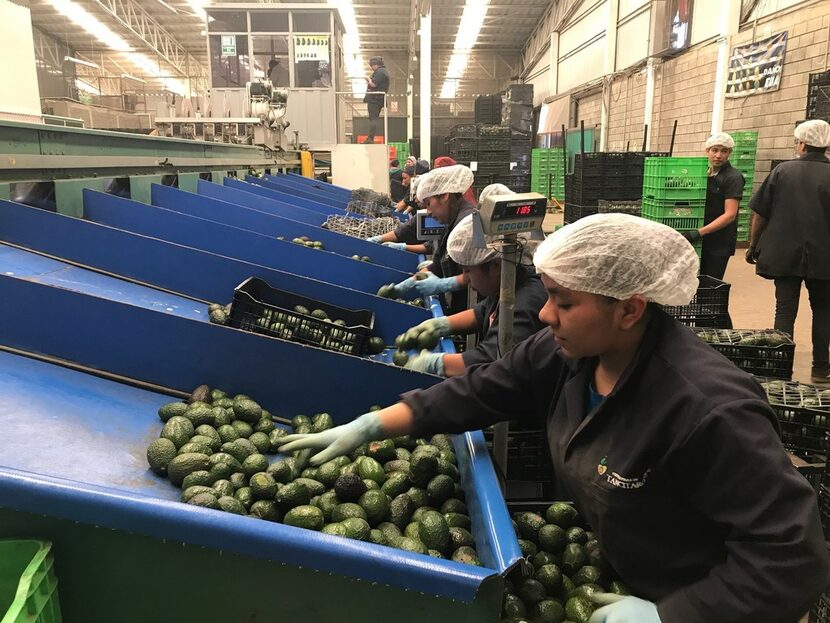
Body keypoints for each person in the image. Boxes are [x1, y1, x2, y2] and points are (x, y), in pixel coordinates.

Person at [277, 213, 830, 623]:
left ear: (629, 308)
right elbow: (481, 391)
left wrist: (673, 615)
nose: (544, 313)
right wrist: (376, 424)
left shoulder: (708, 409)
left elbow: (791, 561)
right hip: (627, 575)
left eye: (563, 302)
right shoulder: (568, 353)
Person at [403, 188, 547, 377]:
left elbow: (491, 358)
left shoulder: (527, 300)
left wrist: (435, 363)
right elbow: (483, 312)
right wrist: (440, 325)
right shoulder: (508, 285)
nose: (465, 278)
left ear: (496, 265)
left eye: (468, 270)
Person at [746, 119, 830, 386]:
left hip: (784, 253)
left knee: (785, 309)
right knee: (824, 310)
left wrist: (752, 245)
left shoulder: (782, 171)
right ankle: (820, 369)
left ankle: (781, 369)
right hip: (824, 255)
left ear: (802, 143)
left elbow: (760, 213)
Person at [394, 164, 478, 314]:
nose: (428, 212)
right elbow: (438, 265)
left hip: (475, 312)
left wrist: (444, 284)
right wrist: (413, 281)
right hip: (460, 308)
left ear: (445, 195)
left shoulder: (473, 223)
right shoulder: (450, 224)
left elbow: (482, 274)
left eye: (429, 203)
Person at [681, 132, 745, 283]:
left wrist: (698, 233)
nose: (718, 155)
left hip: (718, 242)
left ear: (729, 153)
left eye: (724, 151)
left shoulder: (733, 177)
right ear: (707, 151)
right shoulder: (705, 173)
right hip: (701, 238)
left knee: (709, 286)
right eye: (714, 150)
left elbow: (730, 214)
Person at [363, 56, 389, 144]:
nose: (371, 67)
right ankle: (370, 138)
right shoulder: (383, 72)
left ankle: (370, 138)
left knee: (373, 119)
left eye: (372, 65)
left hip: (375, 99)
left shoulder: (380, 72)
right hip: (377, 99)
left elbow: (373, 84)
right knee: (373, 119)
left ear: (375, 65)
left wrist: (368, 79)